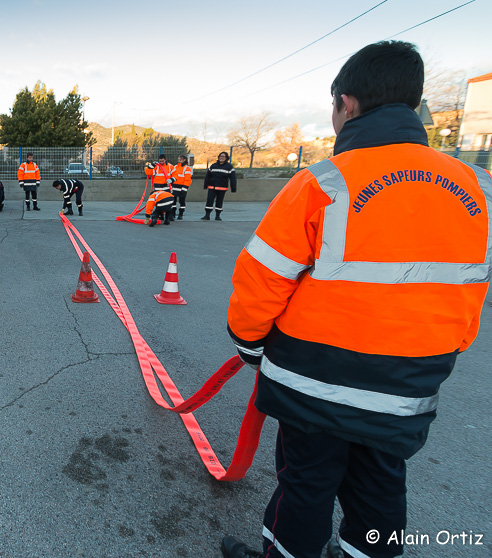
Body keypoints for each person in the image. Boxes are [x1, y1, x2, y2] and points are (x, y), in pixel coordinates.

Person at [220, 41, 492, 558]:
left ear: (347, 103)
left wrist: (250, 345)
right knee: (381, 491)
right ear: (413, 103)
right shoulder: (479, 187)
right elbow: (472, 285)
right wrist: (443, 351)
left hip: (314, 381)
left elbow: (262, 280)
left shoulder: (323, 183)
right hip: (408, 383)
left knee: (305, 485)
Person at [202, 151, 236, 221]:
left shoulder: (229, 167)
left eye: (223, 157)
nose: (221, 158)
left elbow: (233, 178)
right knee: (209, 201)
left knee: (219, 202)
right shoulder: (213, 166)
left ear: (226, 158)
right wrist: (205, 185)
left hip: (222, 188)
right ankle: (207, 215)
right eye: (220, 156)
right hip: (212, 187)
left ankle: (217, 216)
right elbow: (207, 176)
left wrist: (233, 188)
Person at [171, 155, 193, 220]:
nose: (179, 161)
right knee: (173, 202)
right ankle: (173, 214)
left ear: (184, 160)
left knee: (182, 202)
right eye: (178, 159)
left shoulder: (187, 168)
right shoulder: (175, 167)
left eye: (180, 159)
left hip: (182, 188)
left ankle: (180, 214)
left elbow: (188, 179)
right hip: (174, 187)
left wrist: (184, 188)